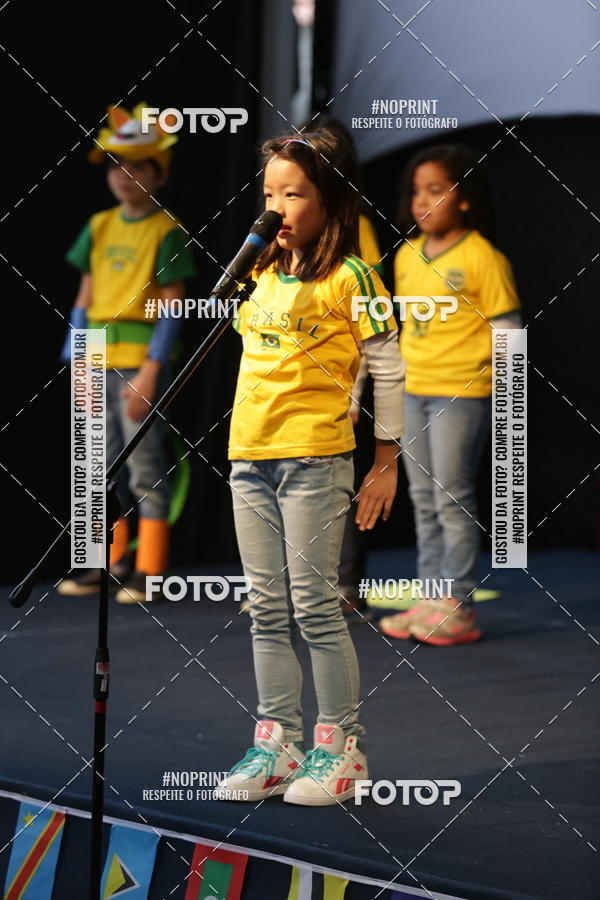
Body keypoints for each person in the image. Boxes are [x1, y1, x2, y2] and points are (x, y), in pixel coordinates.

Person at [214, 131, 405, 806]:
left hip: (314, 460)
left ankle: (340, 748)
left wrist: (385, 461)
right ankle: (277, 744)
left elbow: (388, 369)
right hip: (249, 456)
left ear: (330, 199)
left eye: (293, 193)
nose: (278, 207)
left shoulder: (354, 277)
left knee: (316, 607)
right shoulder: (260, 271)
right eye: (270, 193)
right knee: (265, 609)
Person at [379, 144, 521, 646]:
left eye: (436, 190)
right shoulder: (406, 254)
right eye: (417, 191)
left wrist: (507, 403)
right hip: (412, 391)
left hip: (460, 394)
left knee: (451, 497)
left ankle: (457, 606)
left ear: (464, 198)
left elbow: (507, 331)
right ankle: (431, 598)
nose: (423, 201)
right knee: (423, 499)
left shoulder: (483, 257)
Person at [57, 103, 196, 604]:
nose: (124, 175)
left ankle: (149, 571)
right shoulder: (98, 226)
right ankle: (104, 563)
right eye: (117, 165)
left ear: (158, 174)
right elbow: (84, 298)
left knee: (144, 466)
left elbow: (173, 308)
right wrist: (76, 356)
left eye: (137, 166)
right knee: (94, 465)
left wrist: (152, 372)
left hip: (139, 361)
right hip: (95, 355)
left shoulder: (167, 230)